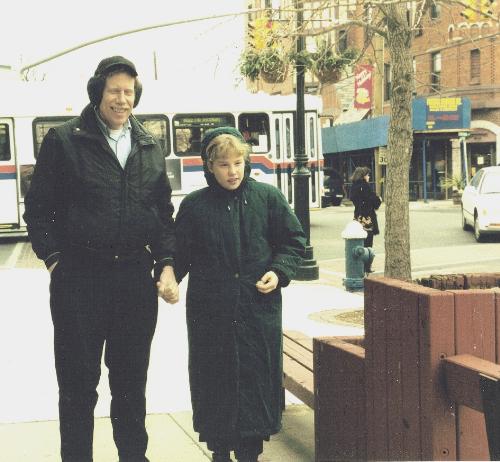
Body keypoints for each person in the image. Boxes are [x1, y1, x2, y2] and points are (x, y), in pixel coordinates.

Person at [23, 56, 179, 462]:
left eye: (129, 91)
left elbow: (162, 212)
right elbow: (39, 210)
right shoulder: (64, 141)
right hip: (80, 277)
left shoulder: (149, 144)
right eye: (115, 91)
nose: (122, 99)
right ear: (98, 93)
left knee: (130, 383)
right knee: (78, 386)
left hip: (132, 279)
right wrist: (55, 258)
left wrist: (165, 262)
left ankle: (133, 457)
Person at [174, 127, 306, 462]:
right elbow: (178, 255)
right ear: (209, 167)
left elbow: (293, 241)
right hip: (211, 314)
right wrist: (166, 276)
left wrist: (278, 272)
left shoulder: (267, 198)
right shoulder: (194, 206)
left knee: (254, 381)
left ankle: (250, 453)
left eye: (238, 163)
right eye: (223, 165)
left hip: (256, 311)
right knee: (214, 381)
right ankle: (219, 450)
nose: (233, 171)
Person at [350, 166, 382, 273]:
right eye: (368, 175)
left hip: (358, 216)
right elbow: (373, 200)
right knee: (368, 243)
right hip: (367, 217)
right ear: (363, 176)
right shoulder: (365, 186)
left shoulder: (354, 187)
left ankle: (359, 264)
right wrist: (379, 199)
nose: (369, 177)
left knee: (359, 241)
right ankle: (367, 266)